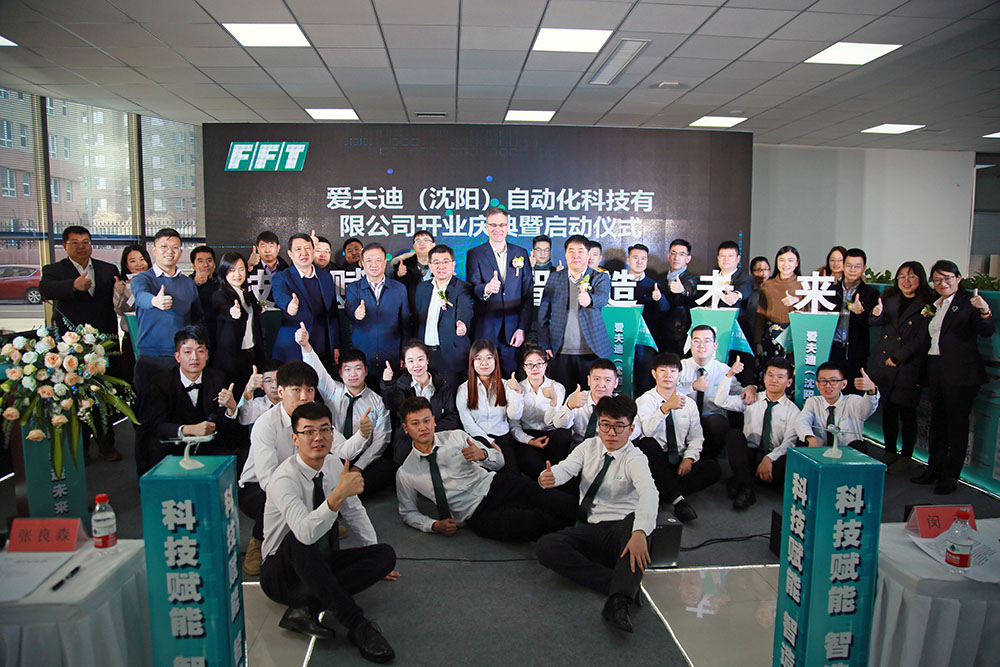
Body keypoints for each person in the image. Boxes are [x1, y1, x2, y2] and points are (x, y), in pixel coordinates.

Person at [260, 402, 397, 662]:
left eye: (324, 430)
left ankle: (306, 607)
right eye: (309, 432)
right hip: (282, 573)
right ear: (295, 438)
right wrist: (337, 495)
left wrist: (370, 549)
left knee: (384, 555)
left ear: (333, 435)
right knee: (299, 538)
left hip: (320, 562)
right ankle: (357, 624)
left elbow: (354, 512)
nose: (318, 438)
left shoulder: (333, 465)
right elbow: (305, 534)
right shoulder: (284, 479)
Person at [536, 394, 658, 634]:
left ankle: (619, 602)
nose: (611, 433)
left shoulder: (635, 458)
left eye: (619, 426)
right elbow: (565, 469)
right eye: (605, 425)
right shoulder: (588, 446)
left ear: (631, 429)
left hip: (620, 531)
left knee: (638, 523)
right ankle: (620, 581)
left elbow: (649, 493)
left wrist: (640, 532)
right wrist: (548, 477)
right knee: (546, 547)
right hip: (590, 529)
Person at [238, 361, 372, 577]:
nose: (304, 397)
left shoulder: (316, 416)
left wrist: (363, 435)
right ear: (280, 392)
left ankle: (314, 525)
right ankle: (259, 540)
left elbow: (342, 450)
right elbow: (268, 481)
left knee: (327, 483)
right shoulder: (265, 425)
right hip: (258, 487)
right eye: (296, 390)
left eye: (309, 390)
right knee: (277, 498)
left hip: (302, 479)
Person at [395, 396, 575, 541]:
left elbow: (499, 462)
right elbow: (408, 512)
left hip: (495, 484)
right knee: (531, 524)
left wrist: (482, 454)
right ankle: (579, 537)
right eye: (415, 423)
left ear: (434, 421)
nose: (423, 427)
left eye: (427, 420)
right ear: (405, 428)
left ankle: (588, 522)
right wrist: (433, 525)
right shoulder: (406, 472)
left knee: (554, 500)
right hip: (476, 512)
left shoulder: (456, 437)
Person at [39, 225, 123, 462]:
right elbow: (44, 289)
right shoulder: (54, 270)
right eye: (75, 242)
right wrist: (73, 286)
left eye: (85, 241)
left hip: (104, 344)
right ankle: (82, 447)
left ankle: (107, 444)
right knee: (76, 397)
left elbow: (118, 301)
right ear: (65, 245)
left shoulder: (107, 269)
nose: (81, 247)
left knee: (105, 395)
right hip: (72, 348)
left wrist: (120, 291)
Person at [911, 260, 994, 494]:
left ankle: (951, 476)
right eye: (937, 280)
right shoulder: (935, 304)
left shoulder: (968, 302)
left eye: (947, 278)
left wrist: (985, 311)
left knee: (956, 426)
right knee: (937, 423)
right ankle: (934, 468)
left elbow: (986, 331)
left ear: (958, 279)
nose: (942, 283)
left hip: (961, 374)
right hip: (936, 368)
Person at [131, 228, 203, 474]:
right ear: (154, 250)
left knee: (179, 418)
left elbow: (196, 321)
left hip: (180, 363)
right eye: (163, 246)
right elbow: (141, 297)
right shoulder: (143, 279)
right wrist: (155, 301)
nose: (169, 252)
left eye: (174, 247)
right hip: (151, 361)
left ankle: (178, 471)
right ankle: (145, 475)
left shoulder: (188, 284)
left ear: (181, 251)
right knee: (147, 420)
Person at [295, 327, 394, 496]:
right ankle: (343, 490)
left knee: (386, 469)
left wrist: (358, 467)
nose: (353, 374)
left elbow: (381, 440)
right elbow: (318, 372)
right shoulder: (333, 391)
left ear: (366, 371)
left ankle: (343, 490)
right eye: (347, 369)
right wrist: (306, 346)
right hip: (334, 453)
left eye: (358, 368)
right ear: (340, 373)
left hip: (362, 458)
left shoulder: (377, 402)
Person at [635, 352, 720, 523]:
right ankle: (677, 500)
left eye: (673, 371)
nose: (668, 375)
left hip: (679, 461)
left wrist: (689, 458)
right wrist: (664, 409)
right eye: (663, 370)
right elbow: (647, 432)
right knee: (647, 444)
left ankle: (662, 490)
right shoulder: (645, 401)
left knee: (714, 469)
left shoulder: (688, 403)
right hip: (657, 460)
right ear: (654, 373)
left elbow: (696, 437)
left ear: (679, 374)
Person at [867, 261, 934, 473]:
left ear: (921, 279)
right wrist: (876, 314)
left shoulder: (928, 303)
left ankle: (906, 456)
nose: (906, 281)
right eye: (902, 276)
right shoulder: (889, 298)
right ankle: (889, 451)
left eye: (912, 276)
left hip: (909, 364)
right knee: (888, 409)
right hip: (885, 364)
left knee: (907, 412)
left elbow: (922, 339)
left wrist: (899, 357)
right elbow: (875, 322)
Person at [144, 326, 239, 473]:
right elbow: (156, 425)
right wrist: (189, 429)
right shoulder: (161, 382)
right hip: (174, 447)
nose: (194, 357)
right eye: (187, 352)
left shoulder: (217, 378)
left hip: (209, 446)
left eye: (200, 351)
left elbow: (224, 426)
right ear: (177, 357)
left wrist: (231, 409)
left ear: (207, 355)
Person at [715, 357, 800, 510]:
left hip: (773, 461)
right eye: (770, 375)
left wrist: (769, 458)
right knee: (734, 435)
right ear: (764, 377)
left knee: (789, 456)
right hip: (749, 458)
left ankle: (741, 483)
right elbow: (721, 401)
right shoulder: (752, 398)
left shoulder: (793, 411)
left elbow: (789, 442)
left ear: (789, 382)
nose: (774, 380)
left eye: (780, 377)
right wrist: (729, 375)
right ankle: (747, 489)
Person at [537, 235, 612, 390]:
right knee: (561, 395)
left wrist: (590, 300)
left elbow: (603, 298)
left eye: (580, 251)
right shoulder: (555, 278)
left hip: (592, 350)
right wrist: (545, 343)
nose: (575, 255)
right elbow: (543, 314)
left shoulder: (599, 277)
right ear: (565, 255)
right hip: (560, 349)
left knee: (590, 396)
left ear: (588, 255)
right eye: (571, 251)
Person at [466, 206, 533, 375]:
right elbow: (472, 287)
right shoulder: (475, 253)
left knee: (511, 377)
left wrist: (522, 328)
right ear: (486, 227)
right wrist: (487, 288)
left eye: (502, 225)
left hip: (513, 330)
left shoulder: (520, 253)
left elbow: (527, 294)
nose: (498, 229)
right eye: (493, 225)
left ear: (508, 226)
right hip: (486, 327)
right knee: (485, 376)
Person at [679, 325, 755, 459]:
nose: (701, 346)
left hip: (711, 417)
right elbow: (666, 391)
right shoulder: (680, 367)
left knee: (718, 423)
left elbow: (739, 392)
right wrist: (693, 386)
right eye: (696, 341)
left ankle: (709, 459)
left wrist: (751, 388)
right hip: (684, 415)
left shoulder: (724, 370)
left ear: (715, 345)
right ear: (690, 344)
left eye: (707, 341)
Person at [382, 340, 462, 465]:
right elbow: (391, 404)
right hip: (410, 440)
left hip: (440, 436)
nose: (416, 365)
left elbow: (452, 417)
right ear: (404, 364)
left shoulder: (442, 385)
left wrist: (430, 430)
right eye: (411, 361)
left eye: (420, 359)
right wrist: (387, 384)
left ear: (427, 360)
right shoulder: (400, 386)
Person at [345, 243, 411, 385]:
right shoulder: (353, 288)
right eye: (369, 260)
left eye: (378, 260)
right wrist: (356, 313)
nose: (373, 264)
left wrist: (404, 353)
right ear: (362, 263)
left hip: (391, 356)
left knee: (390, 394)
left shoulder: (399, 289)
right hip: (363, 357)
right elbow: (349, 310)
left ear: (385, 262)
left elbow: (405, 324)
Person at [271, 233, 341, 366]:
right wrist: (288, 305)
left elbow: (332, 313)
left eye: (308, 248)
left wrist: (335, 345)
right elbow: (279, 295)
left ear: (313, 251)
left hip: (323, 346)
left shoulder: (325, 277)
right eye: (298, 249)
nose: (304, 253)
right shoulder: (282, 277)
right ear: (290, 254)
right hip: (294, 347)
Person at [412, 244, 474, 391]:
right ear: (430, 266)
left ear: (453, 265)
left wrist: (462, 323)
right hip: (425, 355)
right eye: (436, 262)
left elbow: (465, 309)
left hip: (450, 354)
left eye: (445, 262)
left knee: (451, 395)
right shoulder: (422, 288)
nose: (441, 266)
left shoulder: (462, 287)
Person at [456, 339, 522, 474]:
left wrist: (517, 393)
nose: (484, 363)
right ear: (472, 361)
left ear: (495, 360)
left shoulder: (506, 385)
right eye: (478, 358)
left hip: (503, 439)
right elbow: (468, 423)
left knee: (512, 477)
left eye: (489, 358)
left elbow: (515, 416)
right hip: (478, 440)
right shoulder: (464, 389)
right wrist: (489, 442)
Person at [506, 345, 573, 478]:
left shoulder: (557, 388)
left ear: (546, 365)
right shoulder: (516, 387)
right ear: (524, 367)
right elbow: (514, 423)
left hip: (551, 432)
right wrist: (530, 441)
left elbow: (551, 422)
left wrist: (553, 400)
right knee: (531, 465)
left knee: (563, 435)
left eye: (539, 364)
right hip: (528, 435)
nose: (535, 368)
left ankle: (557, 476)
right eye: (529, 364)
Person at [795, 361, 878, 453]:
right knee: (801, 441)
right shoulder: (813, 402)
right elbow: (802, 421)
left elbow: (868, 408)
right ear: (817, 385)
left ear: (843, 384)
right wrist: (810, 437)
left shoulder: (853, 401)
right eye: (823, 381)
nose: (828, 385)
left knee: (858, 446)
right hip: (819, 453)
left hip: (848, 455)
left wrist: (872, 390)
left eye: (833, 381)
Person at [212, 252, 264, 390]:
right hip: (232, 359)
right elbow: (223, 308)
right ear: (224, 272)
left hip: (252, 355)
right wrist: (232, 312)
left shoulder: (247, 292)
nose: (237, 274)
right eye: (232, 270)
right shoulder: (220, 295)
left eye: (241, 269)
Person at [830, 248, 880, 391]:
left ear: (864, 268)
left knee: (853, 392)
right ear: (843, 266)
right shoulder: (830, 290)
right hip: (832, 349)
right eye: (849, 265)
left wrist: (861, 313)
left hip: (856, 351)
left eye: (857, 266)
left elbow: (870, 323)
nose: (852, 270)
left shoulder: (871, 293)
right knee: (832, 389)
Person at [626, 243, 669, 396]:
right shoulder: (617, 282)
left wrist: (659, 299)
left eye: (643, 258)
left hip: (645, 341)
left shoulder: (654, 284)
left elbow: (665, 309)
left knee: (643, 381)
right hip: (621, 338)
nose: (639, 261)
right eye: (635, 258)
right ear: (628, 259)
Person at [754, 245, 802, 360]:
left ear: (797, 263)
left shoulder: (804, 285)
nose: (786, 264)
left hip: (795, 335)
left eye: (790, 260)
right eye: (782, 260)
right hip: (771, 335)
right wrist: (757, 342)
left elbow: (811, 313)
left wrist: (797, 301)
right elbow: (760, 315)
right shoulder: (767, 285)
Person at [113, 243, 152, 385]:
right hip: (132, 337)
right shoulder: (122, 285)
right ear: (126, 265)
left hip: (153, 337)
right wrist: (120, 293)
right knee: (132, 378)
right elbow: (120, 311)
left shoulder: (156, 282)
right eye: (133, 261)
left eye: (142, 259)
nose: (139, 264)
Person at [662, 239, 699, 355]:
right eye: (673, 253)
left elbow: (690, 289)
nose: (676, 258)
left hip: (681, 334)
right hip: (661, 335)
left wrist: (682, 290)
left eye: (681, 254)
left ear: (688, 258)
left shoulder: (692, 279)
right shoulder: (661, 279)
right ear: (668, 256)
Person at [392, 230, 435, 310]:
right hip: (412, 312)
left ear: (433, 245)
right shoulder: (404, 265)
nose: (422, 243)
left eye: (426, 240)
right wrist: (399, 275)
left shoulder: (440, 265)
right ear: (414, 246)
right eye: (418, 241)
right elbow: (393, 289)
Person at [236, 359, 282, 427]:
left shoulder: (295, 400)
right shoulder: (258, 404)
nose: (275, 386)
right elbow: (244, 420)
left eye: (279, 379)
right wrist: (249, 390)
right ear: (261, 385)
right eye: (268, 381)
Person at [190, 245, 219, 348]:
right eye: (200, 261)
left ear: (214, 264)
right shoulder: (187, 283)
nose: (205, 265)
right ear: (194, 265)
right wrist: (196, 284)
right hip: (198, 336)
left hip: (220, 335)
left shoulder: (223, 282)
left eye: (209, 260)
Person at [746, 256, 770, 327]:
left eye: (765, 269)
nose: (763, 273)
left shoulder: (774, 288)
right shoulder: (748, 288)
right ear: (751, 272)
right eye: (758, 270)